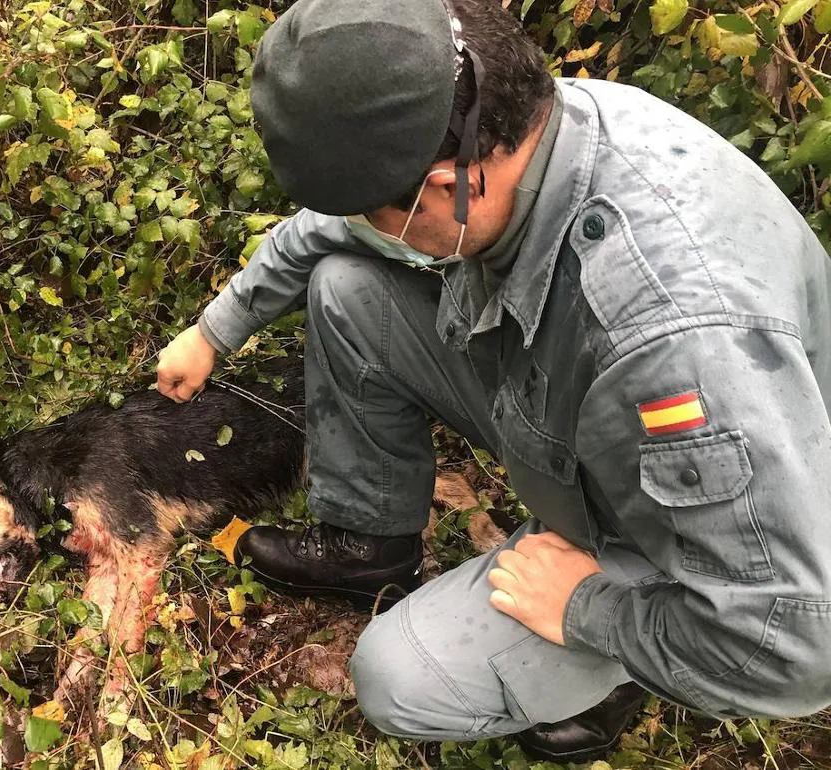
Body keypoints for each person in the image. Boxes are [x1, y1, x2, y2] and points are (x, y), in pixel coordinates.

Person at [153, 0, 831, 762]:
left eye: (380, 213)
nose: (370, 226)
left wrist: (588, 611)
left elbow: (794, 650)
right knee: (348, 290)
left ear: (448, 185)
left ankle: (617, 678)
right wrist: (215, 328)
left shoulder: (675, 345)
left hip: (684, 518)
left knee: (398, 678)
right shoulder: (527, 127)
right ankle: (369, 542)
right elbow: (335, 227)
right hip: (577, 413)